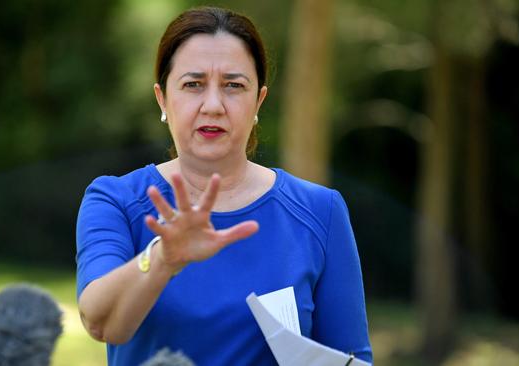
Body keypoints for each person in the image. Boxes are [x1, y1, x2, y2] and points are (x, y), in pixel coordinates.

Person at [76, 6, 372, 365]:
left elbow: (352, 358)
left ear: (258, 100)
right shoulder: (116, 200)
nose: (213, 105)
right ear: (162, 99)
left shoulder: (320, 211)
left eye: (233, 85)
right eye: (193, 85)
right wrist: (163, 259)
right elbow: (101, 322)